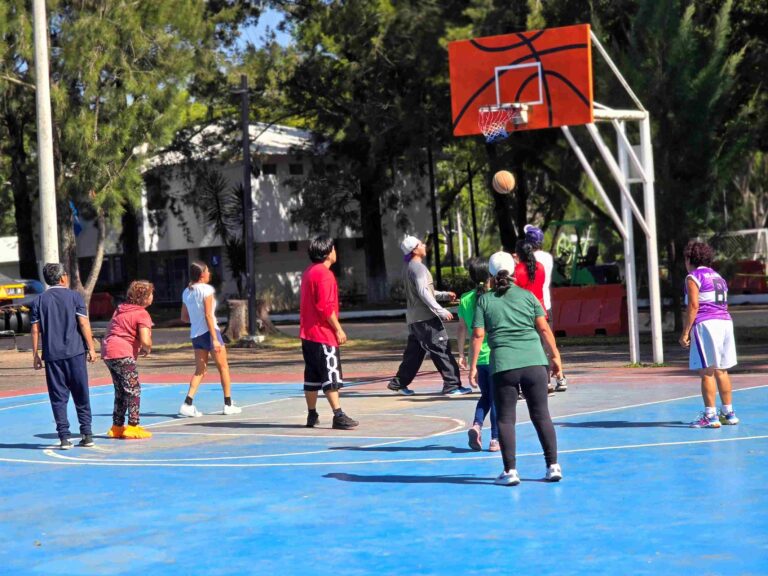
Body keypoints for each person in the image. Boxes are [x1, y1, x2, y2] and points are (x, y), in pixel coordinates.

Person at [470, 251, 563, 486]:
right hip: (535, 361)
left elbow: (478, 335)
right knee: (541, 414)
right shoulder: (528, 296)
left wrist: (472, 366)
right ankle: (553, 466)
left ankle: (510, 471)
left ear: (490, 274)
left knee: (505, 419)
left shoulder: (485, 300)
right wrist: (556, 358)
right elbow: (544, 329)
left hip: (504, 365)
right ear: (513, 270)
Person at [387, 235, 471, 396]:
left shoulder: (408, 267)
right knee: (441, 348)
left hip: (414, 319)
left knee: (414, 353)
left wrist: (444, 295)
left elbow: (424, 291)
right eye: (421, 244)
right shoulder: (418, 268)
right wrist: (441, 310)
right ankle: (452, 385)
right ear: (414, 250)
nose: (424, 245)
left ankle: (399, 383)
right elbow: (423, 292)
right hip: (426, 318)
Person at [30, 263, 98, 450]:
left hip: (52, 355)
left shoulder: (39, 301)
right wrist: (91, 348)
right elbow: (83, 323)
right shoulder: (75, 297)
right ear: (62, 278)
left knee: (58, 397)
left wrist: (35, 354)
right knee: (81, 393)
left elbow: (35, 329)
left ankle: (64, 438)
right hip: (75, 352)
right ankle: (87, 434)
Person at [299, 235, 358, 430]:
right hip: (323, 334)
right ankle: (338, 415)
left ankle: (312, 413)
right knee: (330, 374)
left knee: (312, 374)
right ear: (327, 252)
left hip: (308, 334)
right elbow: (325, 307)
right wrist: (338, 329)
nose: (335, 251)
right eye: (333, 248)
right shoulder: (325, 274)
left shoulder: (308, 272)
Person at [679, 241, 739, 428]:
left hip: (707, 324)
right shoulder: (718, 277)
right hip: (725, 322)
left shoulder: (693, 277)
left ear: (689, 259)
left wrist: (685, 332)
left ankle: (710, 416)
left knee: (706, 372)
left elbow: (693, 305)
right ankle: (728, 413)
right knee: (722, 370)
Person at [178, 261, 242, 417]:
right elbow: (208, 315)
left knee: (200, 371)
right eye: (207, 271)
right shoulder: (207, 290)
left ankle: (187, 403)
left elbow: (184, 317)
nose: (209, 273)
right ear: (202, 275)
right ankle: (228, 404)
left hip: (196, 335)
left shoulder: (186, 292)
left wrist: (197, 319)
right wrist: (214, 338)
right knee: (224, 368)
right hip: (209, 332)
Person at [101, 280, 155, 440]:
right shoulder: (142, 313)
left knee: (120, 391)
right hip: (123, 352)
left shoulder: (120, 309)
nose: (153, 296)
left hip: (109, 351)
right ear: (144, 297)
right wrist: (147, 347)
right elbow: (145, 339)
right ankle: (133, 426)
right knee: (133, 389)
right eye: (151, 294)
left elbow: (110, 329)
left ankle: (117, 427)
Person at [457, 258, 499, 451]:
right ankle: (495, 439)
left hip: (477, 357)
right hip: (496, 355)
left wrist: (461, 354)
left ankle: (477, 425)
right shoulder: (495, 297)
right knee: (496, 398)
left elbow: (461, 329)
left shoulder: (465, 299)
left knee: (485, 396)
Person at [524, 224, 567, 393]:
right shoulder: (547, 257)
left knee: (536, 346)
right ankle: (560, 377)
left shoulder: (526, 261)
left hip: (530, 307)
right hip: (545, 305)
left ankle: (545, 380)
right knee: (549, 343)